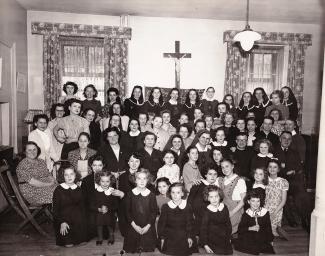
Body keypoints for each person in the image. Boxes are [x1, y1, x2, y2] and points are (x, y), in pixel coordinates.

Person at [123, 169, 158, 253]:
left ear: (148, 180)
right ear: (135, 180)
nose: (142, 181)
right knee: (131, 247)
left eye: (144, 178)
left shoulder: (151, 195)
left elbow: (154, 212)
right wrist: (134, 226)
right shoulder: (130, 194)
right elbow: (127, 212)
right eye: (139, 178)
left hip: (147, 225)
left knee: (148, 247)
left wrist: (147, 226)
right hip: (134, 225)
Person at [53, 165, 87, 247]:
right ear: (62, 176)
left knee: (82, 242)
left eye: (71, 174)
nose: (69, 177)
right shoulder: (58, 190)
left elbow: (83, 208)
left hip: (77, 221)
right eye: (66, 175)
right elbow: (55, 210)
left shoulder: (79, 189)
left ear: (75, 175)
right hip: (64, 220)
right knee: (69, 245)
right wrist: (62, 222)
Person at [158, 183, 197, 256]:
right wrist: (162, 238)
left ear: (182, 193)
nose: (175, 195)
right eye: (173, 192)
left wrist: (189, 237)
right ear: (170, 193)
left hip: (185, 235)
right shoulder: (166, 207)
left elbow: (190, 223)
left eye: (178, 192)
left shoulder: (187, 206)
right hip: (169, 235)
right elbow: (161, 224)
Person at [234, 190, 275, 255]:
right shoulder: (246, 214)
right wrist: (250, 228)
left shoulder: (265, 212)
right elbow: (240, 229)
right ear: (248, 202)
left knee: (267, 248)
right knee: (244, 244)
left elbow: (268, 227)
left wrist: (271, 240)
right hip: (249, 236)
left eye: (258, 201)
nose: (256, 204)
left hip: (262, 236)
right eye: (253, 201)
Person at [188, 166, 218, 240]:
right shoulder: (198, 184)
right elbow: (190, 200)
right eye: (210, 174)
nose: (213, 176)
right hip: (197, 216)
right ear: (205, 175)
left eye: (215, 174)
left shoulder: (216, 187)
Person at [200, 185, 233, 255]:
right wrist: (205, 245)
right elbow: (203, 229)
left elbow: (228, 224)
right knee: (219, 252)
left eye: (216, 196)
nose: (214, 199)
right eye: (211, 197)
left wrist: (229, 237)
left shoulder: (224, 207)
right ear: (207, 198)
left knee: (229, 252)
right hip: (211, 238)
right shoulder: (207, 211)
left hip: (224, 237)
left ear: (220, 196)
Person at [218, 158, 246, 234]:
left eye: (227, 166)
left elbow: (243, 201)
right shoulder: (220, 180)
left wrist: (232, 212)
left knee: (230, 231)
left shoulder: (240, 181)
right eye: (222, 167)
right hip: (224, 208)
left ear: (232, 166)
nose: (225, 169)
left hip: (235, 209)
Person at [92, 171, 119, 245]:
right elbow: (92, 205)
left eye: (107, 181)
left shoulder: (112, 191)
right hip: (99, 212)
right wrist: (99, 209)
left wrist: (108, 209)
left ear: (111, 181)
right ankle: (100, 237)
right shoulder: (96, 191)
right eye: (102, 181)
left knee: (109, 219)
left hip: (110, 212)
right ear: (99, 181)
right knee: (99, 219)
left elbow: (116, 205)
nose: (105, 183)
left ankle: (111, 236)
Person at [265, 159, 289, 237]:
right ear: (267, 168)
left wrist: (275, 212)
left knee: (273, 232)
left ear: (278, 169)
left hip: (277, 208)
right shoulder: (264, 180)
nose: (272, 169)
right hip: (265, 207)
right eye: (270, 167)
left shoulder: (283, 182)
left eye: (275, 167)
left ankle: (275, 228)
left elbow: (283, 201)